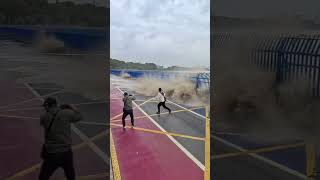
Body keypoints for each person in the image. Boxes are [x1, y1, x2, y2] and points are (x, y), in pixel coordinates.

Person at [39, 97, 82, 180]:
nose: (45, 108)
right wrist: (72, 107)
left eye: (45, 106)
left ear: (47, 106)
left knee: (43, 177)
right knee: (70, 175)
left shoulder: (44, 117)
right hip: (66, 152)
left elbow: (43, 122)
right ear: (55, 104)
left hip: (52, 153)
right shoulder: (66, 113)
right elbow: (79, 116)